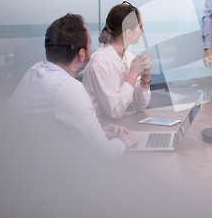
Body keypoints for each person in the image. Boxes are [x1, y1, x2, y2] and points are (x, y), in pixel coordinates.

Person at [7, 14, 137, 161]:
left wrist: (97, 132)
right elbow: (105, 157)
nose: (92, 49)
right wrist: (123, 142)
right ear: (81, 54)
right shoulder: (69, 88)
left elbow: (46, 125)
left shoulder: (35, 70)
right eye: (89, 45)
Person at [83, 1, 152, 120]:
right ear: (129, 32)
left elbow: (139, 105)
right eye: (140, 27)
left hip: (116, 127)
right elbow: (115, 112)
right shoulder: (99, 61)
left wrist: (145, 78)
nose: (142, 31)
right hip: (99, 129)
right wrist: (133, 73)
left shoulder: (128, 57)